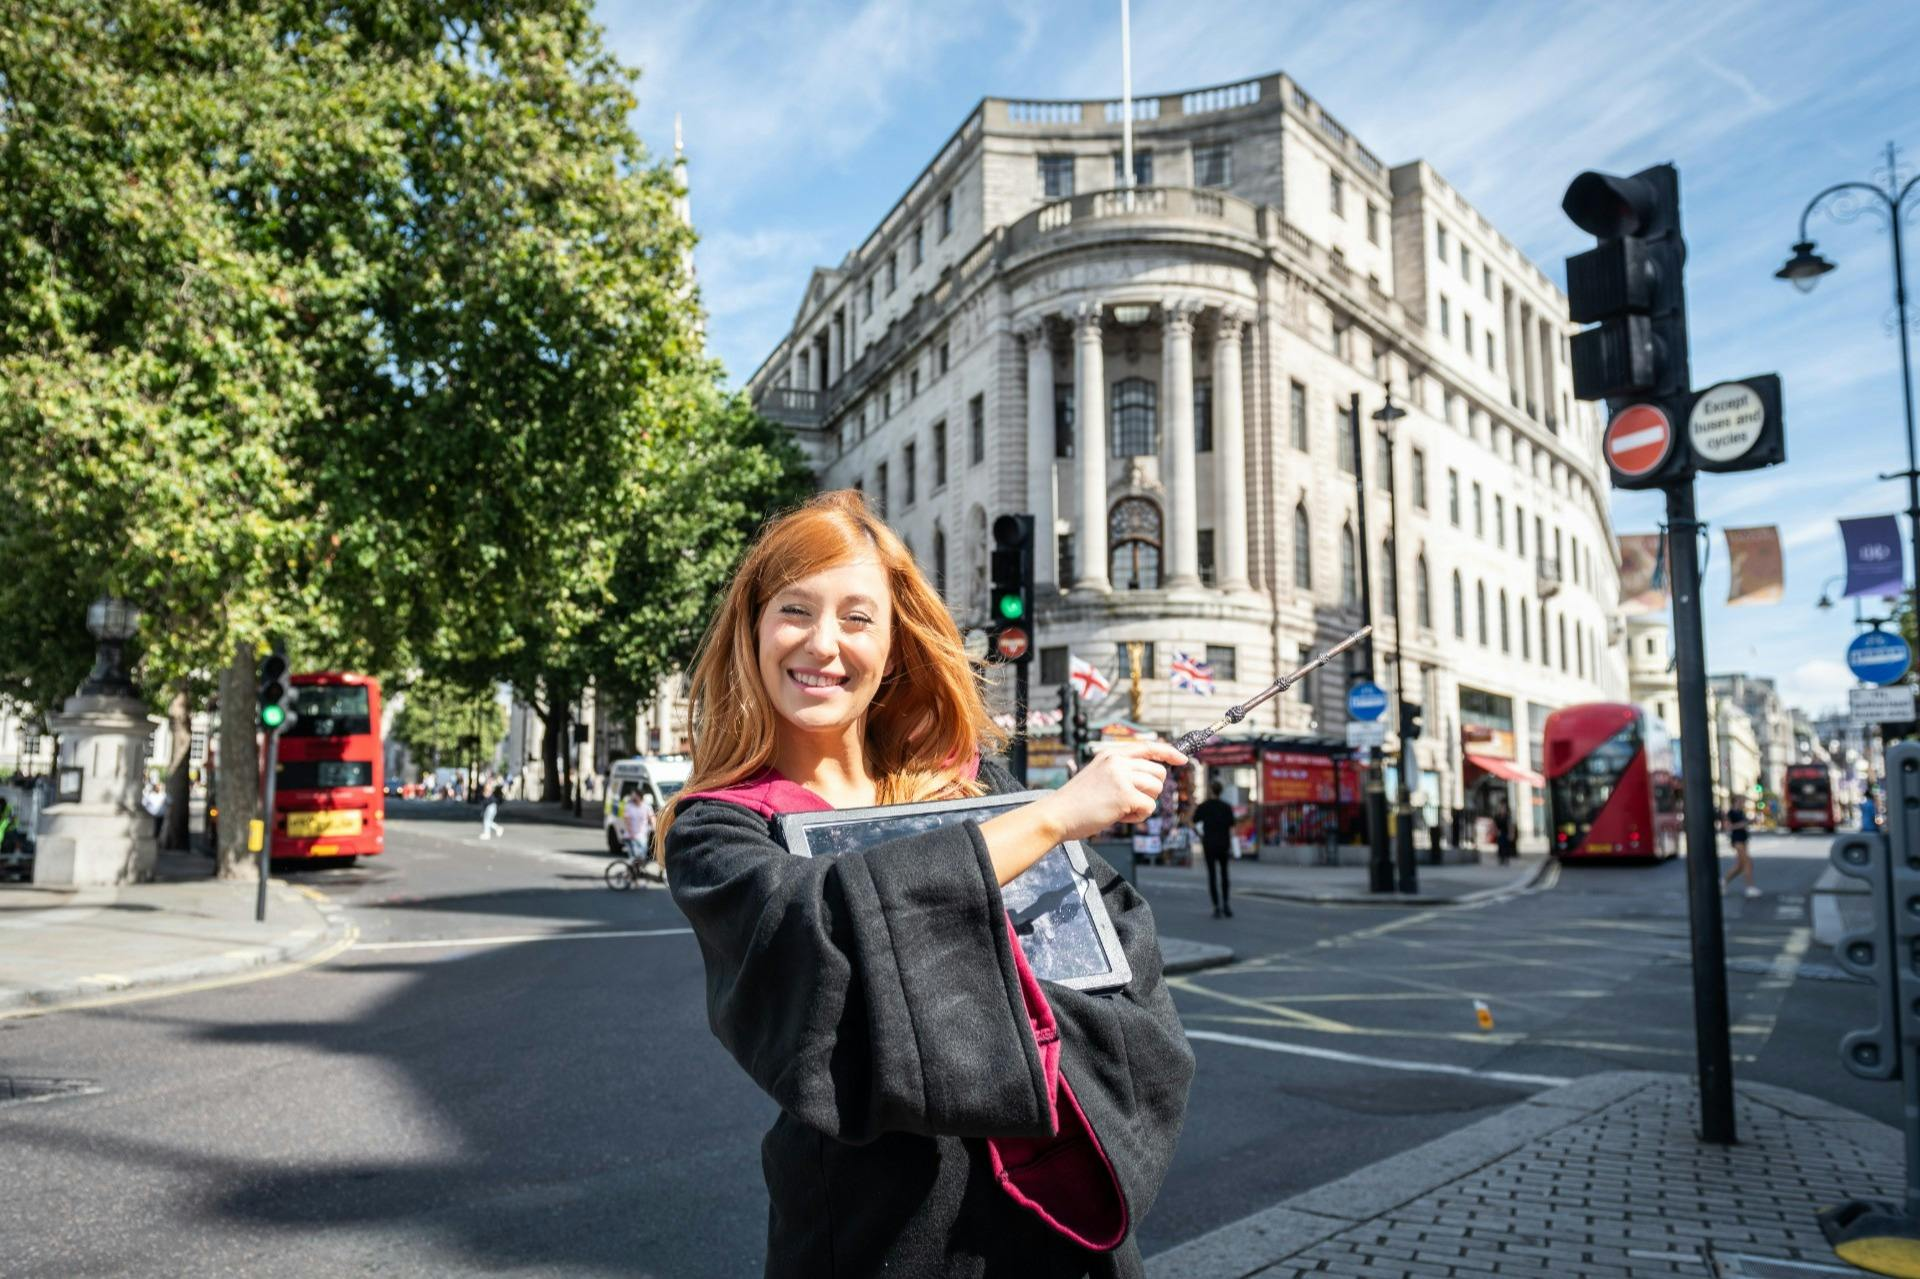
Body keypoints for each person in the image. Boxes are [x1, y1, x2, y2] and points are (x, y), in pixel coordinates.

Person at [661, 491, 1194, 1278]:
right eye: (795, 609)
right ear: (754, 628)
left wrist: (963, 1012)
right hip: (880, 1242)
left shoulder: (971, 785)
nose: (823, 642)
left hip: (1063, 1228)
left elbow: (1118, 955)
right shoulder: (720, 830)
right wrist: (1050, 820)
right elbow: (816, 942)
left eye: (857, 617)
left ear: (892, 643)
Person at [1191, 784, 1237, 918]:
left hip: (1209, 844)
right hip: (1224, 844)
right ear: (1221, 791)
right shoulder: (1226, 807)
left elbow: (1193, 821)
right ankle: (1226, 904)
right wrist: (1233, 846)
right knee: (1224, 874)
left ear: (1211, 790)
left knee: (1212, 875)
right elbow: (1232, 827)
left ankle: (1216, 906)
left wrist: (1200, 835)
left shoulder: (1204, 806)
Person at [1722, 798, 1759, 897]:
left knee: (1740, 866)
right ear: (1735, 802)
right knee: (1748, 862)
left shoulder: (1741, 812)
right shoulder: (1731, 813)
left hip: (1743, 839)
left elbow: (1744, 824)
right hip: (1737, 839)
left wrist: (1750, 822)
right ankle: (1750, 887)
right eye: (1740, 801)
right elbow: (1728, 827)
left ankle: (1723, 881)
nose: (1742, 803)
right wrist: (1743, 824)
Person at [622, 787, 654, 859]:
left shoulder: (646, 807)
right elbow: (627, 820)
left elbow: (652, 818)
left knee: (641, 857)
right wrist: (631, 833)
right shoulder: (629, 806)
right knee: (634, 857)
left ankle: (636, 865)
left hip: (642, 836)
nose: (632, 796)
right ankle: (633, 865)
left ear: (639, 796)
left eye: (633, 795)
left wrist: (654, 828)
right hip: (630, 836)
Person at [1493, 801, 1517, 866]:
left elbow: (1510, 825)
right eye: (1501, 808)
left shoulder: (1507, 817)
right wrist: (1496, 831)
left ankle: (1506, 858)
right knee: (1500, 846)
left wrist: (1511, 834)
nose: (1502, 810)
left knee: (1506, 846)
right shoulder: (1497, 816)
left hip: (1506, 833)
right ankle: (1501, 858)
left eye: (1503, 808)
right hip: (1500, 833)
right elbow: (1495, 825)